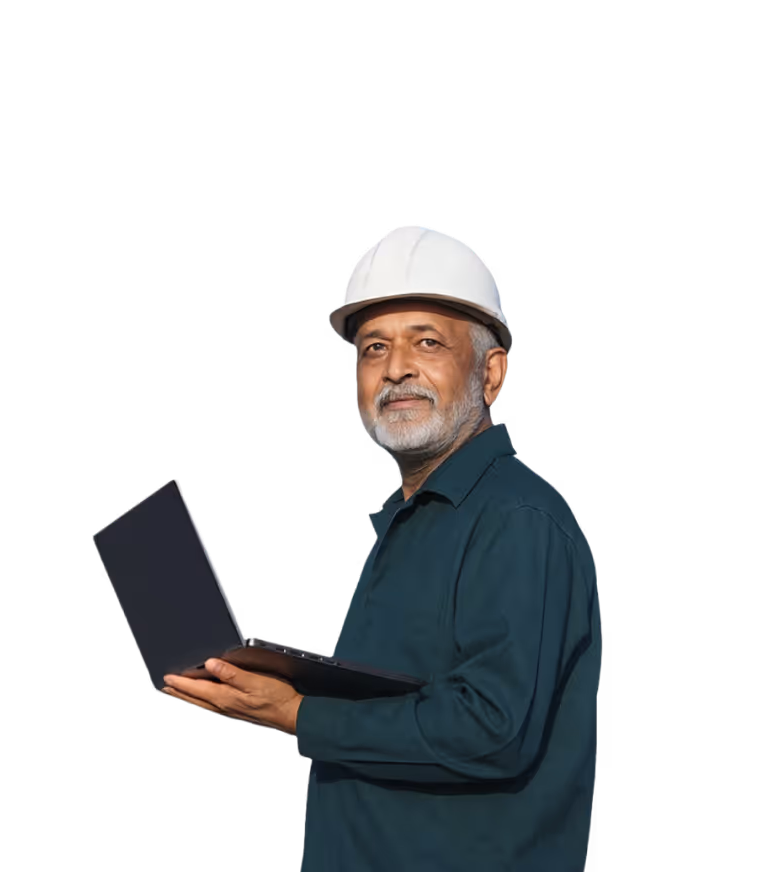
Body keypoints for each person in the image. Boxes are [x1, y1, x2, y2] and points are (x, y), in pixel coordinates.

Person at [161, 225, 601, 870]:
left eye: (428, 342)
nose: (396, 368)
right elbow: (403, 702)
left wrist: (299, 713)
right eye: (374, 348)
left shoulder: (517, 520)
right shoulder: (411, 519)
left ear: (492, 373)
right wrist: (280, 682)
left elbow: (490, 729)